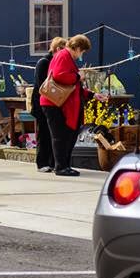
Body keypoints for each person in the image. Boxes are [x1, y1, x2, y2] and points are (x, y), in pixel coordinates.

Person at [40, 35, 107, 177]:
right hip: (55, 103)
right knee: (61, 136)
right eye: (82, 51)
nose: (81, 55)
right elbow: (59, 76)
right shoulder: (64, 56)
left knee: (67, 136)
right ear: (77, 48)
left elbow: (73, 87)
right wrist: (78, 76)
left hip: (59, 102)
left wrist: (92, 95)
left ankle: (64, 165)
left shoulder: (64, 56)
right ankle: (61, 167)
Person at [32, 37, 67, 173]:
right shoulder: (44, 62)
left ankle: (52, 162)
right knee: (43, 133)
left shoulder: (56, 62)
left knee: (52, 133)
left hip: (53, 103)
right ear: (57, 49)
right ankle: (42, 163)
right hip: (41, 103)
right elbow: (42, 85)